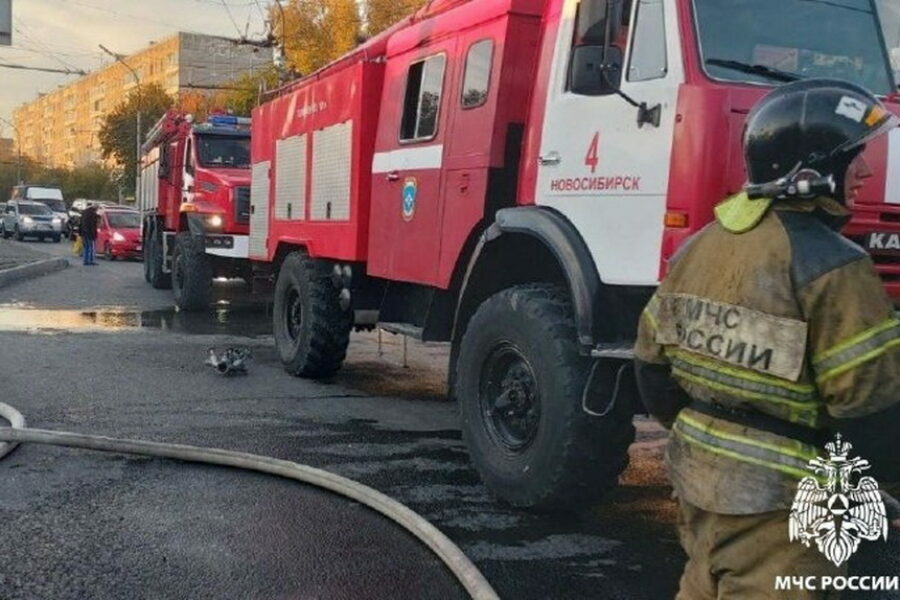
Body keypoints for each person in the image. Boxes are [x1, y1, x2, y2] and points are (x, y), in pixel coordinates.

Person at [634, 78, 900, 599]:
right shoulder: (834, 266)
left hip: (698, 484)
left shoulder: (698, 246)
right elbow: (872, 411)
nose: (866, 172)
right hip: (786, 508)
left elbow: (651, 369)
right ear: (812, 171)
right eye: (854, 158)